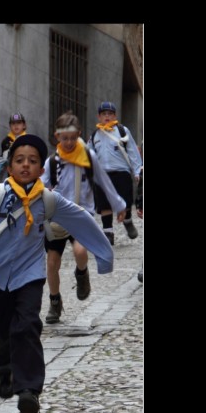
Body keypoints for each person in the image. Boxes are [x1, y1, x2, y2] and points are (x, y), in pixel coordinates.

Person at [0, 134, 114, 413]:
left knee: (27, 325)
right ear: (10, 166)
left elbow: (81, 220)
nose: (26, 165)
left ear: (42, 169)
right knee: (3, 330)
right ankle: (3, 367)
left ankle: (29, 391)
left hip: (30, 275)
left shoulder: (49, 200)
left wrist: (104, 257)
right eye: (19, 160)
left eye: (33, 161)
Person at [42, 113, 126, 324]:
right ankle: (55, 301)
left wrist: (119, 205)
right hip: (57, 217)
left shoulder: (88, 157)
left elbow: (104, 181)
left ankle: (82, 274)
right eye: (64, 138)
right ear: (57, 137)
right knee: (52, 263)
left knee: (80, 251)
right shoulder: (52, 162)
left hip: (81, 214)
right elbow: (38, 186)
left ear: (79, 134)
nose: (69, 142)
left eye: (72, 137)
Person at [88, 101, 144, 245]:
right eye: (104, 114)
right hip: (102, 175)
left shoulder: (122, 131)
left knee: (125, 202)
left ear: (115, 115)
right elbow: (88, 156)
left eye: (110, 113)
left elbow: (132, 150)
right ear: (99, 117)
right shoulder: (95, 135)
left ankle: (128, 220)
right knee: (104, 204)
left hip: (122, 172)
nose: (107, 116)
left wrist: (138, 170)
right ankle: (108, 233)